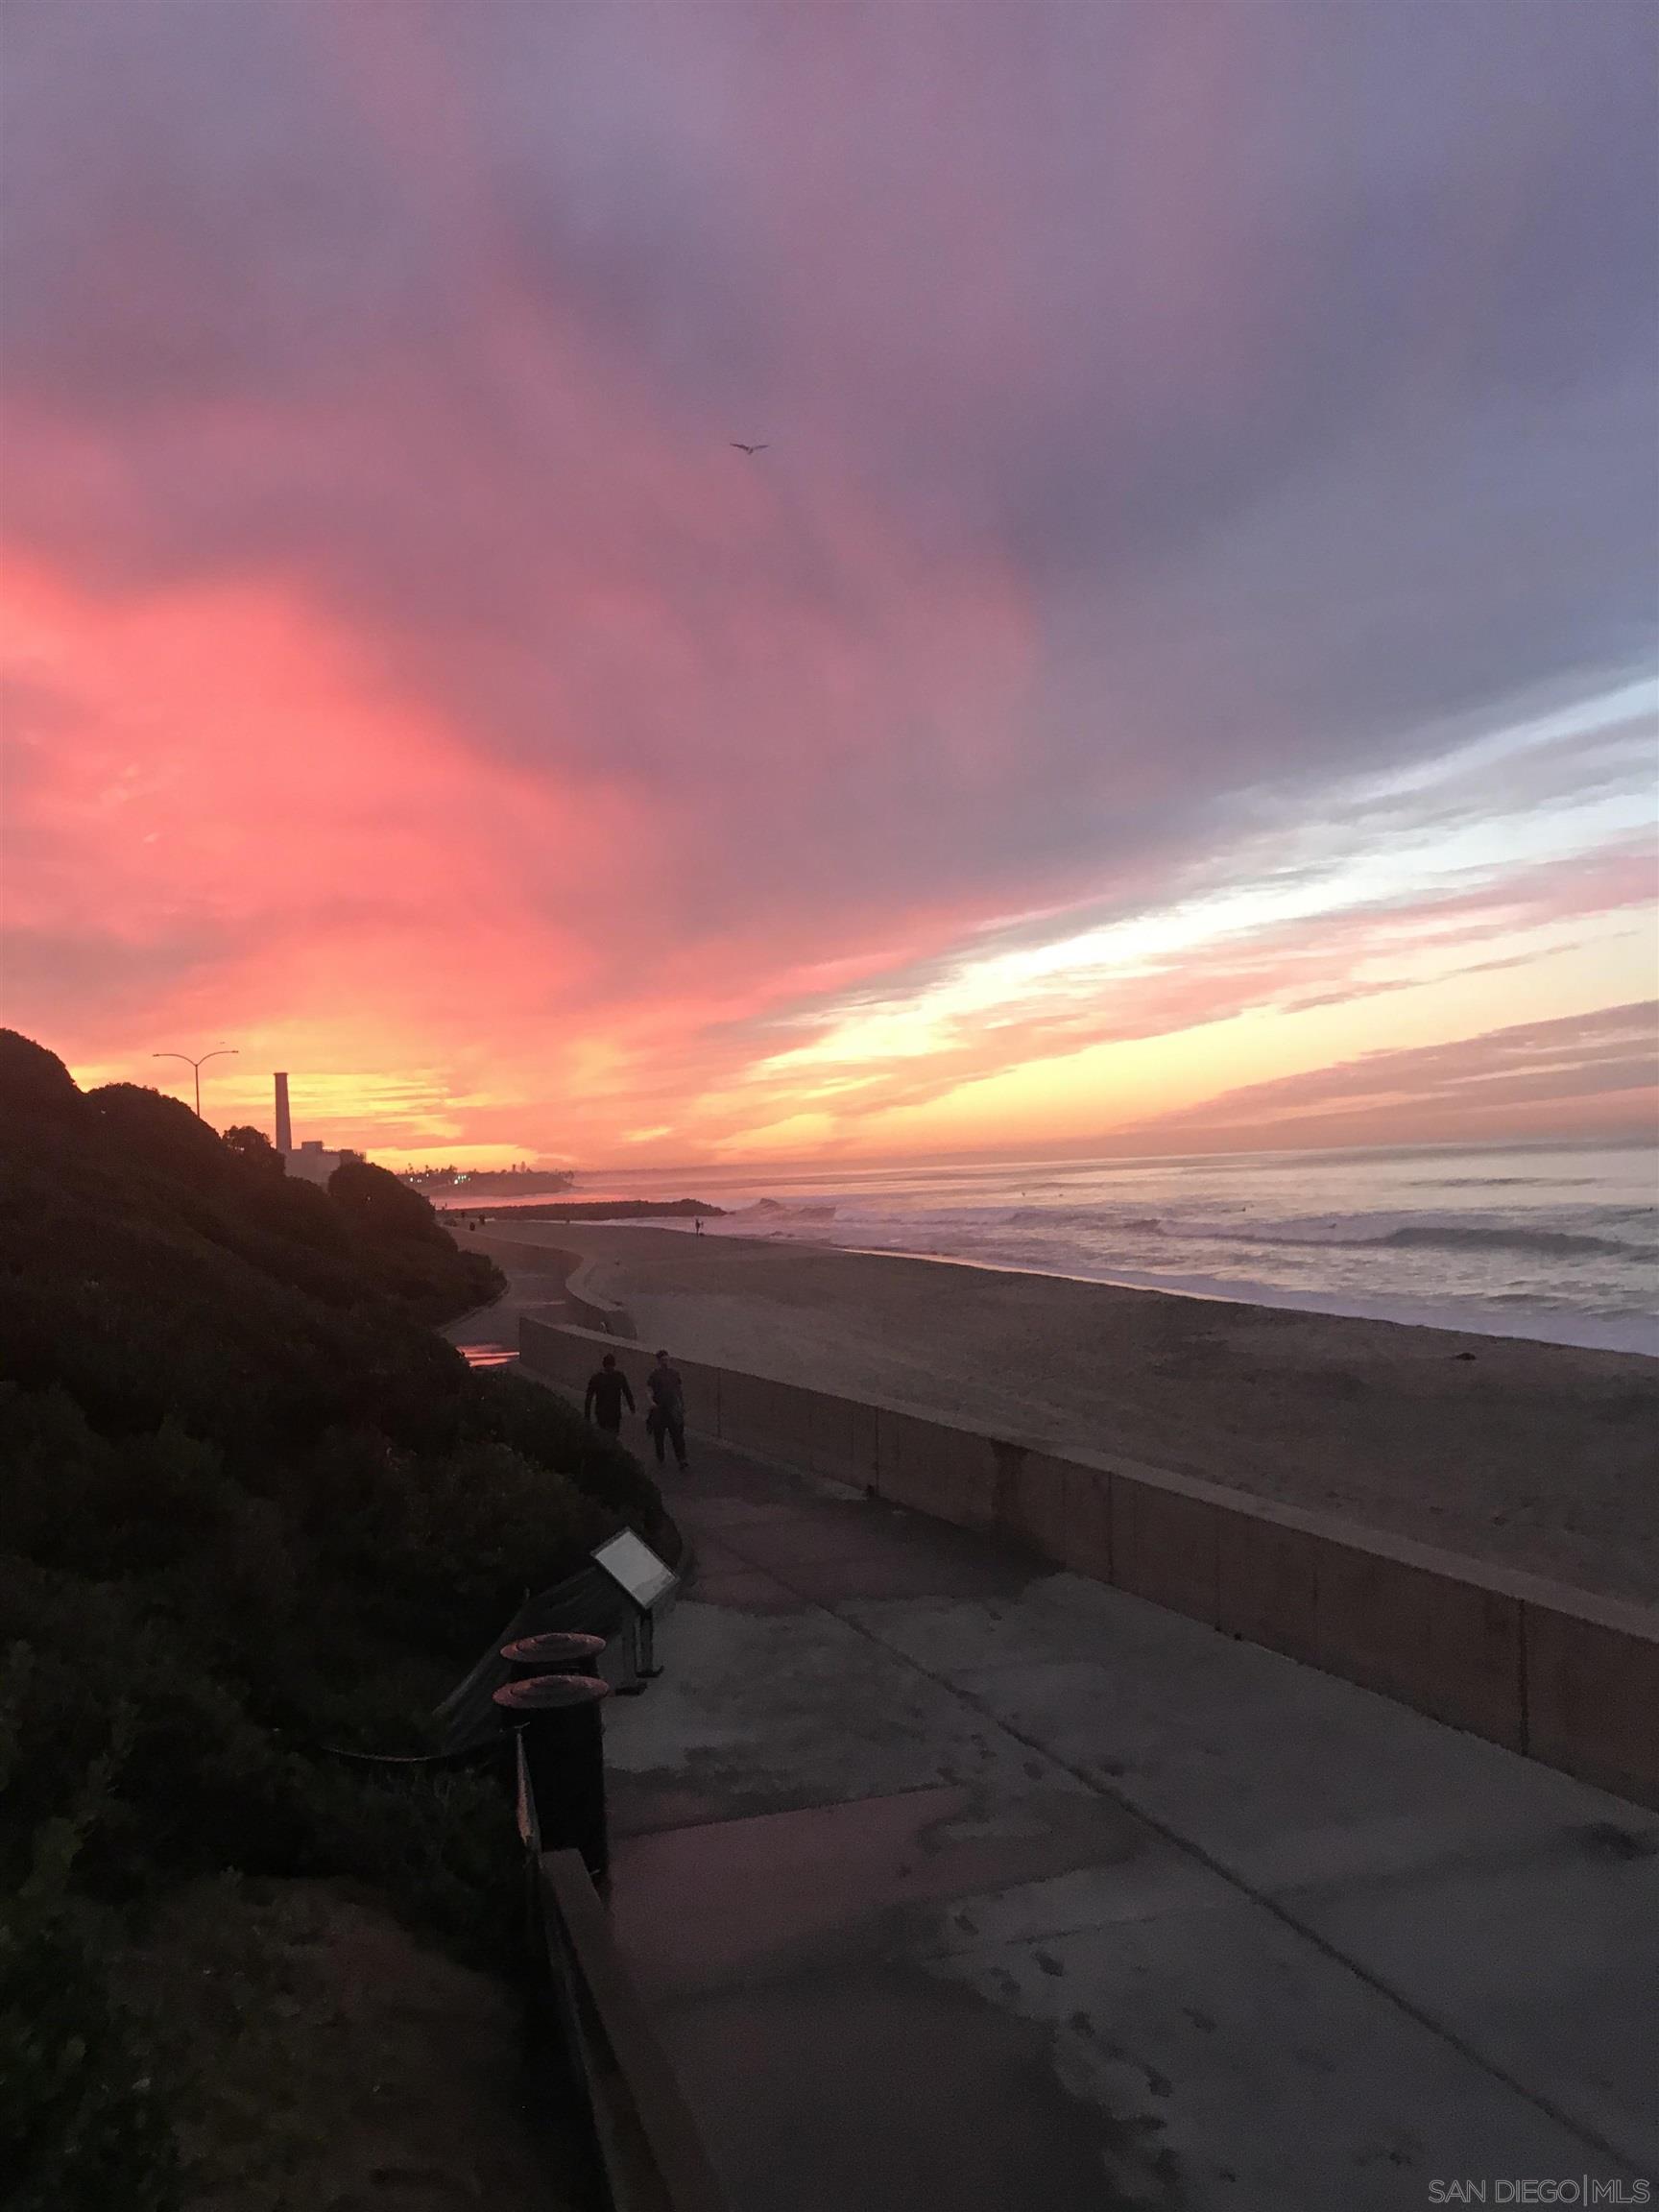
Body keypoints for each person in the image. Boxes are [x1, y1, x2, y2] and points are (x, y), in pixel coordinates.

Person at [646, 1348, 689, 1471]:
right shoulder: (654, 1374)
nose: (665, 1362)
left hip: (672, 1408)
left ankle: (682, 1459)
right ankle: (660, 1455)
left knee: (677, 1435)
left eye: (667, 1359)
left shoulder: (675, 1373)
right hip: (660, 1408)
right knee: (659, 1435)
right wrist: (651, 1402)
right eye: (663, 1360)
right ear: (659, 1361)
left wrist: (681, 1405)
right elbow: (649, 1389)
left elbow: (679, 1390)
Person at [583, 1352, 635, 1436]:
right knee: (612, 1434)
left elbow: (589, 1397)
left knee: (602, 1434)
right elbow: (627, 1392)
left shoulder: (597, 1378)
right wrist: (632, 1406)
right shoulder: (619, 1376)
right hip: (614, 1412)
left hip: (602, 1411)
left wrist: (587, 1416)